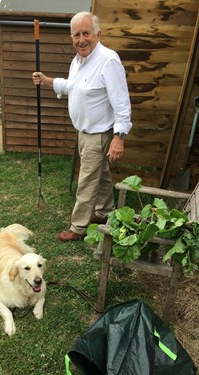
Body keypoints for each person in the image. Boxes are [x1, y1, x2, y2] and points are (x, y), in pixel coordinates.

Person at [32, 11, 132, 242]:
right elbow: (74, 87)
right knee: (101, 174)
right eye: (76, 35)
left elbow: (122, 103)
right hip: (84, 131)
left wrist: (120, 137)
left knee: (86, 180)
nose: (81, 39)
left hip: (99, 133)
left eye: (86, 33)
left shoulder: (108, 60)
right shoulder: (78, 62)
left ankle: (78, 227)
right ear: (71, 38)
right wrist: (49, 81)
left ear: (98, 34)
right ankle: (105, 211)